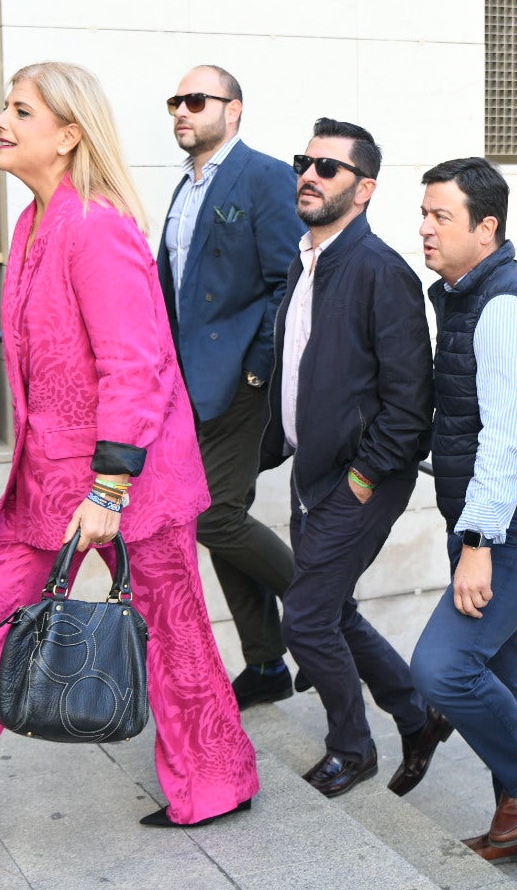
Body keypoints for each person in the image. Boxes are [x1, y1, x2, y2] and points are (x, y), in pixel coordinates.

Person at [0, 62, 257, 853]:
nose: (2, 121)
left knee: (171, 634)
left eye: (21, 110)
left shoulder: (97, 224)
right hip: (44, 480)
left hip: (124, 478)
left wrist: (109, 489)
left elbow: (134, 363)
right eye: (7, 107)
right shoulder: (33, 221)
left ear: (68, 135)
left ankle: (216, 781)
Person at [257, 117, 448, 799]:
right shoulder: (304, 261)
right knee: (331, 611)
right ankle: (416, 712)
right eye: (304, 162)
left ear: (363, 189)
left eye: (328, 168)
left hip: (357, 480)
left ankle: (352, 746)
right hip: (311, 473)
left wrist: (363, 481)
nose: (309, 175)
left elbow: (409, 406)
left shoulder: (381, 273)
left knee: (305, 620)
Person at [409, 157, 517, 866]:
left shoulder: (506, 307)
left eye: (440, 216)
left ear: (488, 228)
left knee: (443, 668)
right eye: (423, 213)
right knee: (503, 676)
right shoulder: (462, 296)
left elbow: (506, 440)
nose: (424, 228)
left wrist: (476, 541)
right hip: (492, 519)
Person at [158, 64, 305, 708]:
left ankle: (326, 609)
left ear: (234, 109)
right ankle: (268, 663)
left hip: (242, 384)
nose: (182, 111)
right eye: (175, 102)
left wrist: (258, 367)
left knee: (213, 516)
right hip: (188, 388)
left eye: (196, 100)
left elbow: (290, 281)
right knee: (221, 516)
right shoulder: (183, 189)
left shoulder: (265, 176)